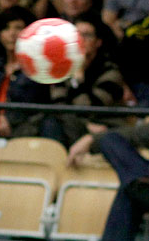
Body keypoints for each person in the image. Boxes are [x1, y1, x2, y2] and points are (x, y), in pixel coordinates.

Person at [67, 119, 149, 241]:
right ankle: (140, 182)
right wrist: (90, 139)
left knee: (129, 191)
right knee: (110, 140)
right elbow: (134, 134)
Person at [0, 7, 52, 140]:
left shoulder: (38, 68)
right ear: (0, 34)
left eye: (18, 28)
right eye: (6, 28)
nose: (12, 33)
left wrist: (7, 120)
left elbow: (38, 110)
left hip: (23, 133)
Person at [47, 14, 126, 148]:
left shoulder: (111, 73)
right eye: (76, 35)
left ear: (98, 42)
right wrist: (85, 124)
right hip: (75, 125)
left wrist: (77, 79)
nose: (80, 40)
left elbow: (90, 109)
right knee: (51, 121)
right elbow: (58, 105)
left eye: (86, 35)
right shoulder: (62, 69)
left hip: (105, 129)